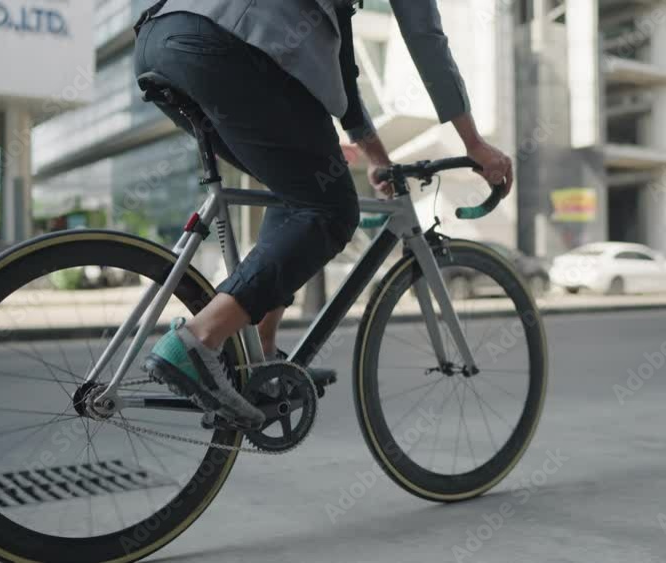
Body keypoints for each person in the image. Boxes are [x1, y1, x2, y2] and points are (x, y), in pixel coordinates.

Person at [132, 0, 514, 427]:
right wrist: (474, 143)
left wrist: (377, 157)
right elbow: (425, 38)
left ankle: (261, 347)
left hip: (161, 38)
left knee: (298, 192)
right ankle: (200, 338)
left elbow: (344, 74)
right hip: (227, 45)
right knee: (329, 210)